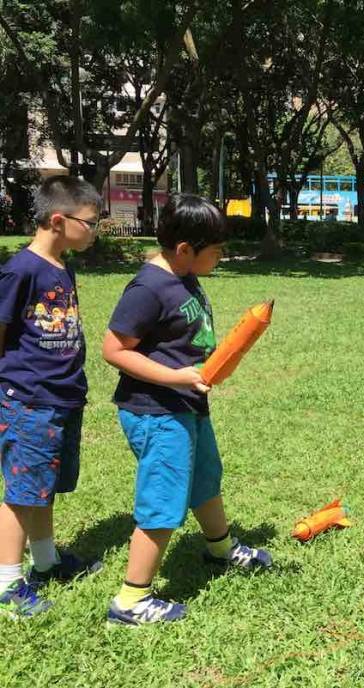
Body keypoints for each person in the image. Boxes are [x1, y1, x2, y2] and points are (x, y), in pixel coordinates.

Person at [102, 194, 271, 627]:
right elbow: (114, 350)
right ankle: (131, 599)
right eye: (215, 252)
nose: (220, 258)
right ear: (184, 250)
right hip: (157, 412)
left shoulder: (183, 276)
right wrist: (178, 376)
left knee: (205, 478)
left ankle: (220, 548)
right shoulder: (148, 288)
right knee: (162, 500)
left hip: (187, 405)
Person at [0, 176, 103, 618]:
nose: (96, 230)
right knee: (22, 493)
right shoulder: (21, 269)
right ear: (59, 221)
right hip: (27, 398)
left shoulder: (62, 263)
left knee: (41, 489)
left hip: (61, 396)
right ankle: (7, 583)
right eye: (92, 223)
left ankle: (46, 563)